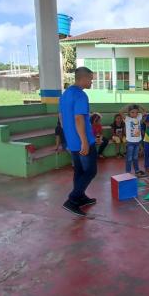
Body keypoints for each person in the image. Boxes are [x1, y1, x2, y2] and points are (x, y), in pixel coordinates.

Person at [60, 67, 97, 217]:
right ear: (82, 78)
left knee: (79, 171)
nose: (92, 82)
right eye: (91, 79)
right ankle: (72, 200)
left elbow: (61, 118)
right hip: (83, 140)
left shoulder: (66, 94)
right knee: (90, 171)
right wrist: (84, 141)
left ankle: (80, 197)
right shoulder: (81, 95)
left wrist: (70, 136)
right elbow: (78, 118)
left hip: (72, 140)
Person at [120, 104, 147, 177]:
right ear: (129, 113)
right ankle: (128, 172)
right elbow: (121, 112)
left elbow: (145, 111)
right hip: (130, 143)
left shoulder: (138, 117)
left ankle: (137, 171)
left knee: (135, 157)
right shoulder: (127, 119)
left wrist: (139, 105)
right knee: (129, 158)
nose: (135, 114)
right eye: (132, 112)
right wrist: (128, 105)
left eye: (136, 112)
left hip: (137, 142)